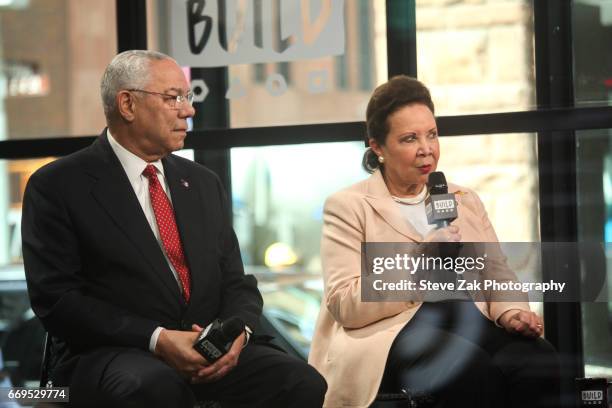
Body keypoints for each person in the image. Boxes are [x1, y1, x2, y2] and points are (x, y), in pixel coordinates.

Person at [21, 50, 326, 408]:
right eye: (173, 98)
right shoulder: (58, 185)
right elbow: (58, 301)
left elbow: (237, 283)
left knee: (300, 382)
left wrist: (237, 334)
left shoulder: (201, 183)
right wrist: (159, 339)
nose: (188, 110)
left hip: (207, 350)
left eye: (188, 97)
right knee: (153, 387)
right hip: (114, 355)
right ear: (127, 104)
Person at [308, 76, 559, 408]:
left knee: (538, 359)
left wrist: (512, 312)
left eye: (432, 134)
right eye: (410, 138)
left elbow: (498, 275)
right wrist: (420, 263)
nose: (426, 149)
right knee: (467, 369)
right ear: (378, 148)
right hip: (392, 330)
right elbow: (344, 304)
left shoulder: (463, 199)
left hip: (467, 319)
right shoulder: (348, 206)